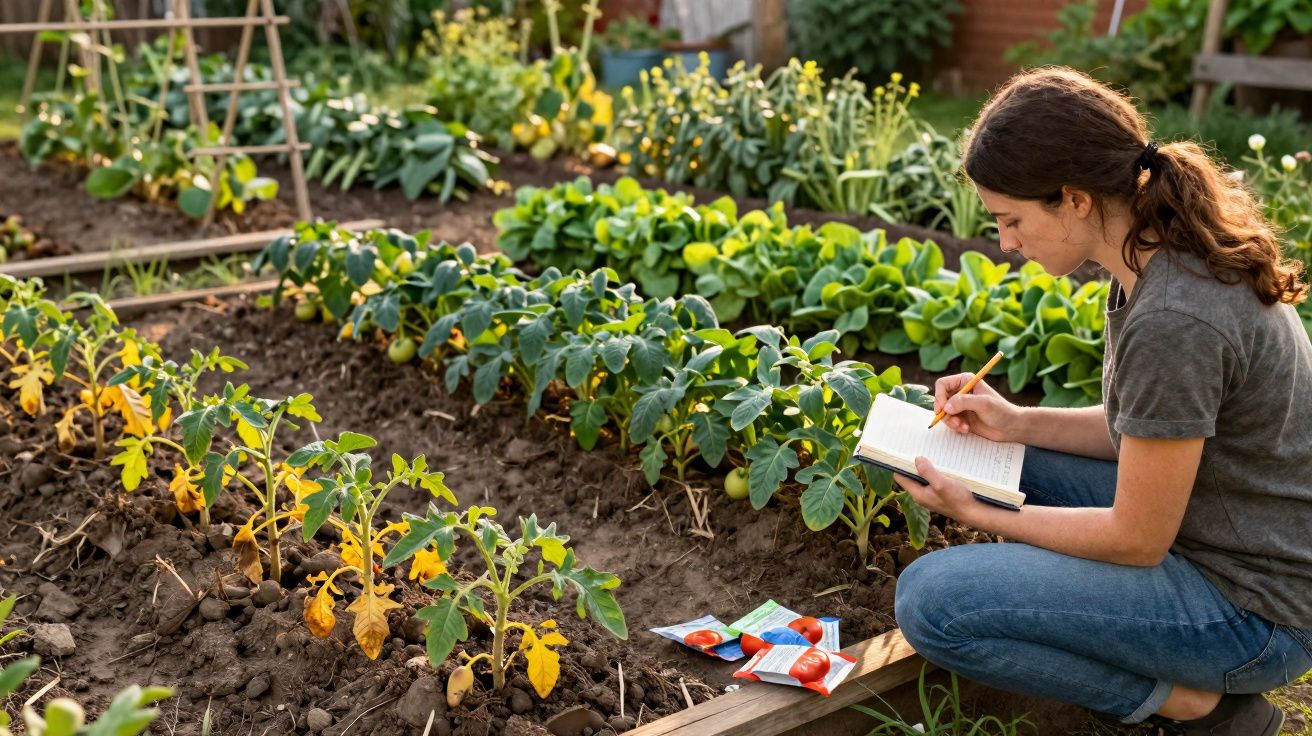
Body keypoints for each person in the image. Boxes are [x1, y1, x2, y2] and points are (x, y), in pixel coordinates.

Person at [891, 67, 1312, 735]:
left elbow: (1136, 540)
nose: (1004, 241)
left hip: (1252, 611)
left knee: (933, 603)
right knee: (921, 440)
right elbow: (1148, 434)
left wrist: (978, 513)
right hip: (1208, 540)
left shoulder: (1178, 315)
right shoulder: (1157, 257)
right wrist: (1017, 421)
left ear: (1074, 199)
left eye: (1011, 219)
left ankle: (1198, 707)